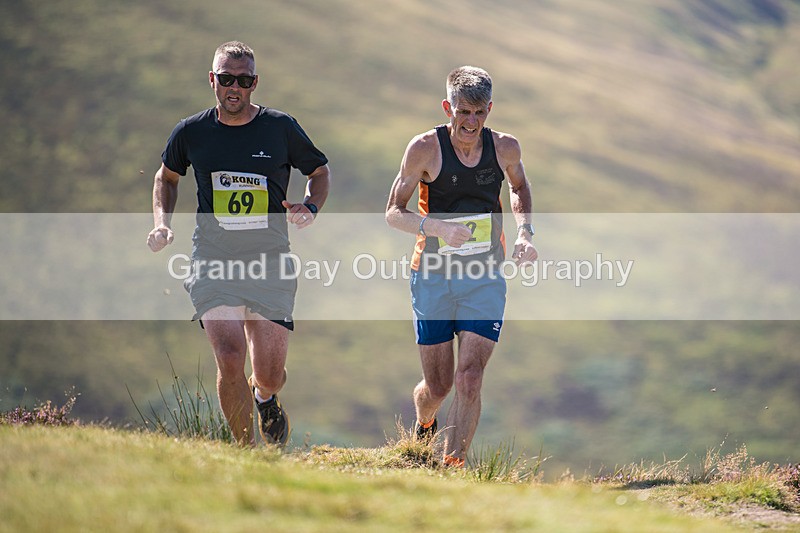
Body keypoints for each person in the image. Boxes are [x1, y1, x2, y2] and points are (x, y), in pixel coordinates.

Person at [147, 41, 331, 447]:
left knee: (269, 371)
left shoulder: (280, 127)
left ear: (254, 83)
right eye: (226, 79)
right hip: (213, 259)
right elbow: (166, 177)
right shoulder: (191, 131)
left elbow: (319, 171)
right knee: (230, 356)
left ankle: (265, 396)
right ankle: (245, 455)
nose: (234, 88)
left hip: (269, 261)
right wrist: (162, 223)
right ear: (212, 80)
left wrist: (311, 206)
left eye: (243, 80)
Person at [385, 66, 537, 467]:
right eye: (462, 112)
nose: (470, 123)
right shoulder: (424, 149)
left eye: (479, 113)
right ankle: (424, 422)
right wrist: (436, 227)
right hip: (432, 277)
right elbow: (393, 213)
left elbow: (519, 186)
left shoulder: (505, 147)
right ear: (447, 107)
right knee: (438, 386)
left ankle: (452, 469)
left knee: (469, 377)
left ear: (489, 109)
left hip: (484, 278)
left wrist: (524, 234)